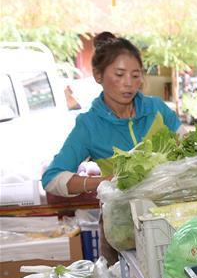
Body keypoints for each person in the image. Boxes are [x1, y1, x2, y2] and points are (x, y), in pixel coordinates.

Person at [42, 32, 181, 197]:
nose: (129, 83)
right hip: (125, 211)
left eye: (135, 75)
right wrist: (104, 181)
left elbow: (190, 148)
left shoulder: (157, 109)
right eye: (119, 75)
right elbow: (51, 179)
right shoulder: (89, 125)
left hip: (171, 207)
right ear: (98, 75)